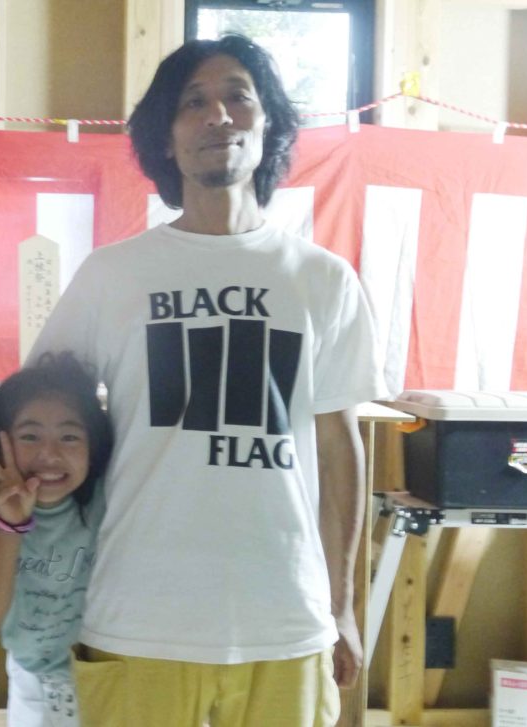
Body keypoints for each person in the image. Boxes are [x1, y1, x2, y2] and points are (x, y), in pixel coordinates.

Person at [28, 34, 388, 726]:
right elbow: (38, 412)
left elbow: (339, 449)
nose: (217, 115)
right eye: (192, 102)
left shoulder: (323, 280)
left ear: (268, 123)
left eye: (237, 97)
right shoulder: (112, 274)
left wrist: (343, 604)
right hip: (137, 616)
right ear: (165, 140)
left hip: (285, 619)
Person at [0, 352, 114, 727]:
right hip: (30, 679)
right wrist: (11, 523)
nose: (49, 454)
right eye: (30, 436)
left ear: (94, 445)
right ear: (2, 442)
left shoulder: (110, 502)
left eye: (69, 436)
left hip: (103, 677)